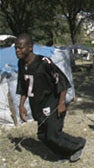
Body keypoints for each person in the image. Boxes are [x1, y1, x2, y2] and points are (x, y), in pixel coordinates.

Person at [15, 33, 86, 162]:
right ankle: (63, 154)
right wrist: (21, 106)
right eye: (16, 48)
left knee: (53, 134)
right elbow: (23, 86)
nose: (17, 50)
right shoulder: (21, 64)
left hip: (52, 102)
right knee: (42, 136)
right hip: (37, 105)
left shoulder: (44, 62)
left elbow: (61, 81)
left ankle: (78, 144)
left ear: (30, 47)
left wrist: (61, 103)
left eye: (20, 47)